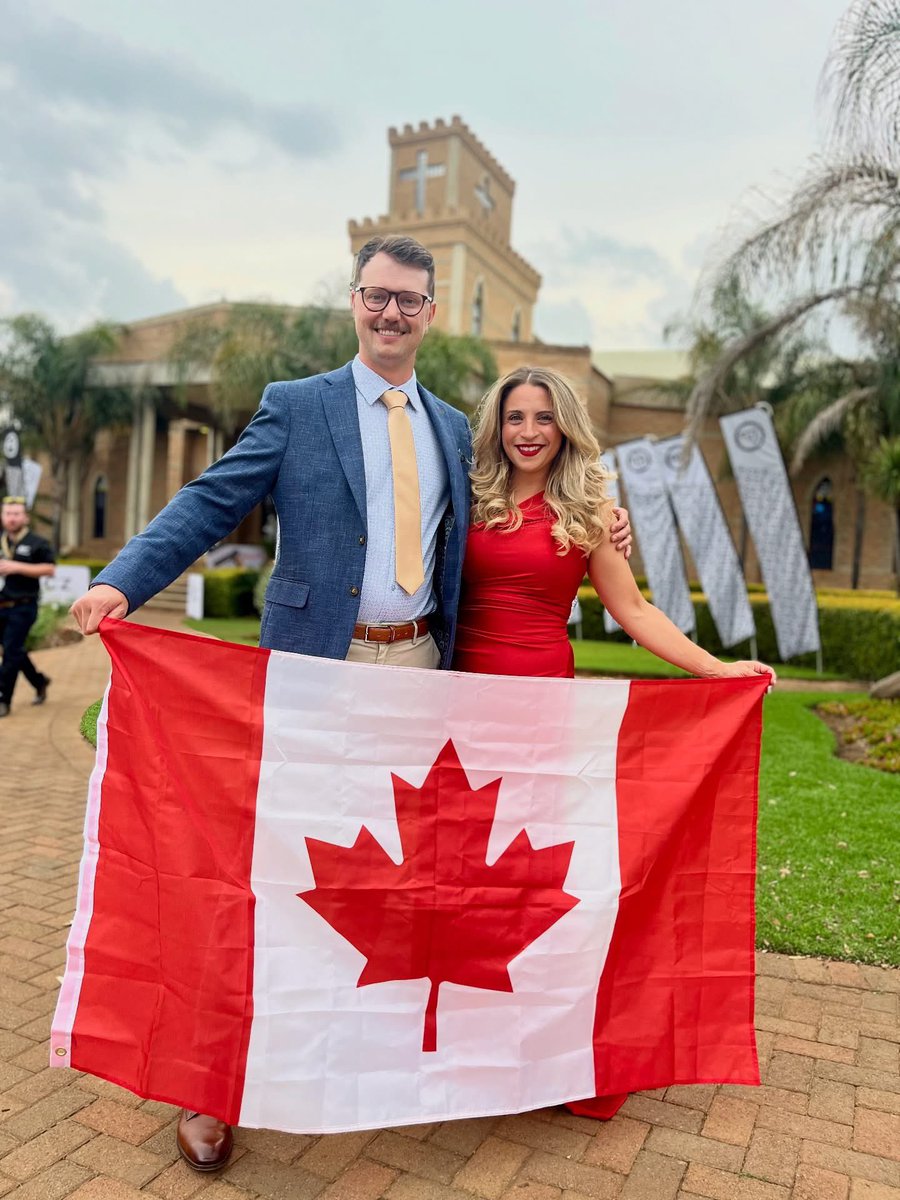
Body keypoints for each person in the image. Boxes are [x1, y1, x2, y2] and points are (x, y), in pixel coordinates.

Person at [70, 233, 636, 1169]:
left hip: (423, 674)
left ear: (430, 314)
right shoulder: (299, 407)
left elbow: (532, 499)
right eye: (376, 296)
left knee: (405, 876)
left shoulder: (459, 429)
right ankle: (210, 1085)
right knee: (267, 871)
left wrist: (607, 511)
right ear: (354, 301)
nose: (390, 314)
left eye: (409, 301)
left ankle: (374, 1056)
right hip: (312, 675)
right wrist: (122, 582)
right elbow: (213, 502)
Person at [453, 364, 775, 1120]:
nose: (528, 431)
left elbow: (633, 611)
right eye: (514, 418)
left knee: (538, 880)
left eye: (542, 417)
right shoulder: (465, 494)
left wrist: (715, 667)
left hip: (538, 710)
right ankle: (470, 1041)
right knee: (461, 876)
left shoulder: (590, 511)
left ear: (566, 425)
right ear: (496, 427)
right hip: (454, 706)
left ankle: (561, 1052)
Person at [0, 497, 55, 719]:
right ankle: (39, 681)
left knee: (11, 652)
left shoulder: (37, 543)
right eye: (8, 513)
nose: (12, 518)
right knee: (14, 650)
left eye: (16, 514)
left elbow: (49, 569)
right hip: (1, 606)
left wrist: (16, 566)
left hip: (23, 607)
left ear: (25, 517)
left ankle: (4, 699)